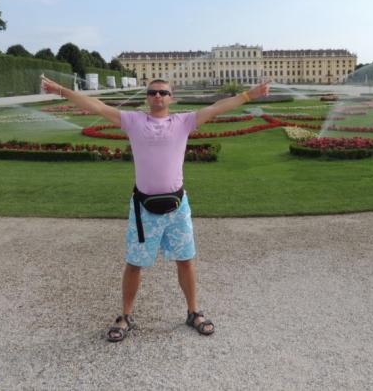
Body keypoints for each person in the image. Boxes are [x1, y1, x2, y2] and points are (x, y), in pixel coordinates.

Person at [41, 76, 270, 342]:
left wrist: (250, 95)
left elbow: (217, 107)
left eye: (163, 92)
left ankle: (193, 311)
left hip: (177, 207)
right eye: (152, 92)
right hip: (143, 209)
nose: (158, 96)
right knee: (134, 263)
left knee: (186, 260)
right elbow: (97, 106)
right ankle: (126, 315)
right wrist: (60, 90)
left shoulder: (184, 122)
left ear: (172, 98)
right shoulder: (133, 121)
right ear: (147, 97)